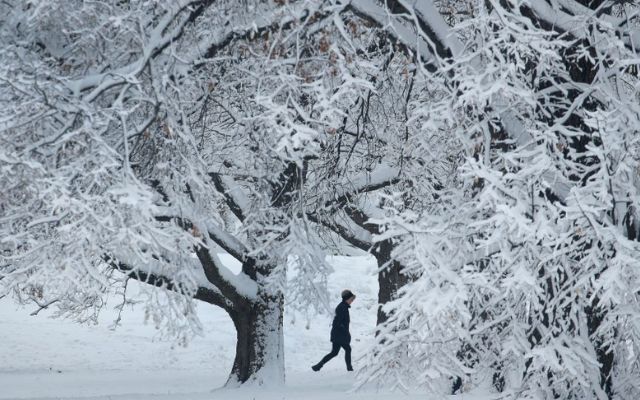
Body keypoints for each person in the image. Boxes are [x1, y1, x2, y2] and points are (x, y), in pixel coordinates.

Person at [312, 289, 356, 372]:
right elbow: (337, 322)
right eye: (351, 299)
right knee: (348, 349)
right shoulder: (342, 308)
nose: (352, 301)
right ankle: (349, 369)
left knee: (334, 352)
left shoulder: (343, 307)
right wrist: (345, 333)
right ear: (347, 299)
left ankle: (318, 366)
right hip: (339, 335)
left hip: (338, 334)